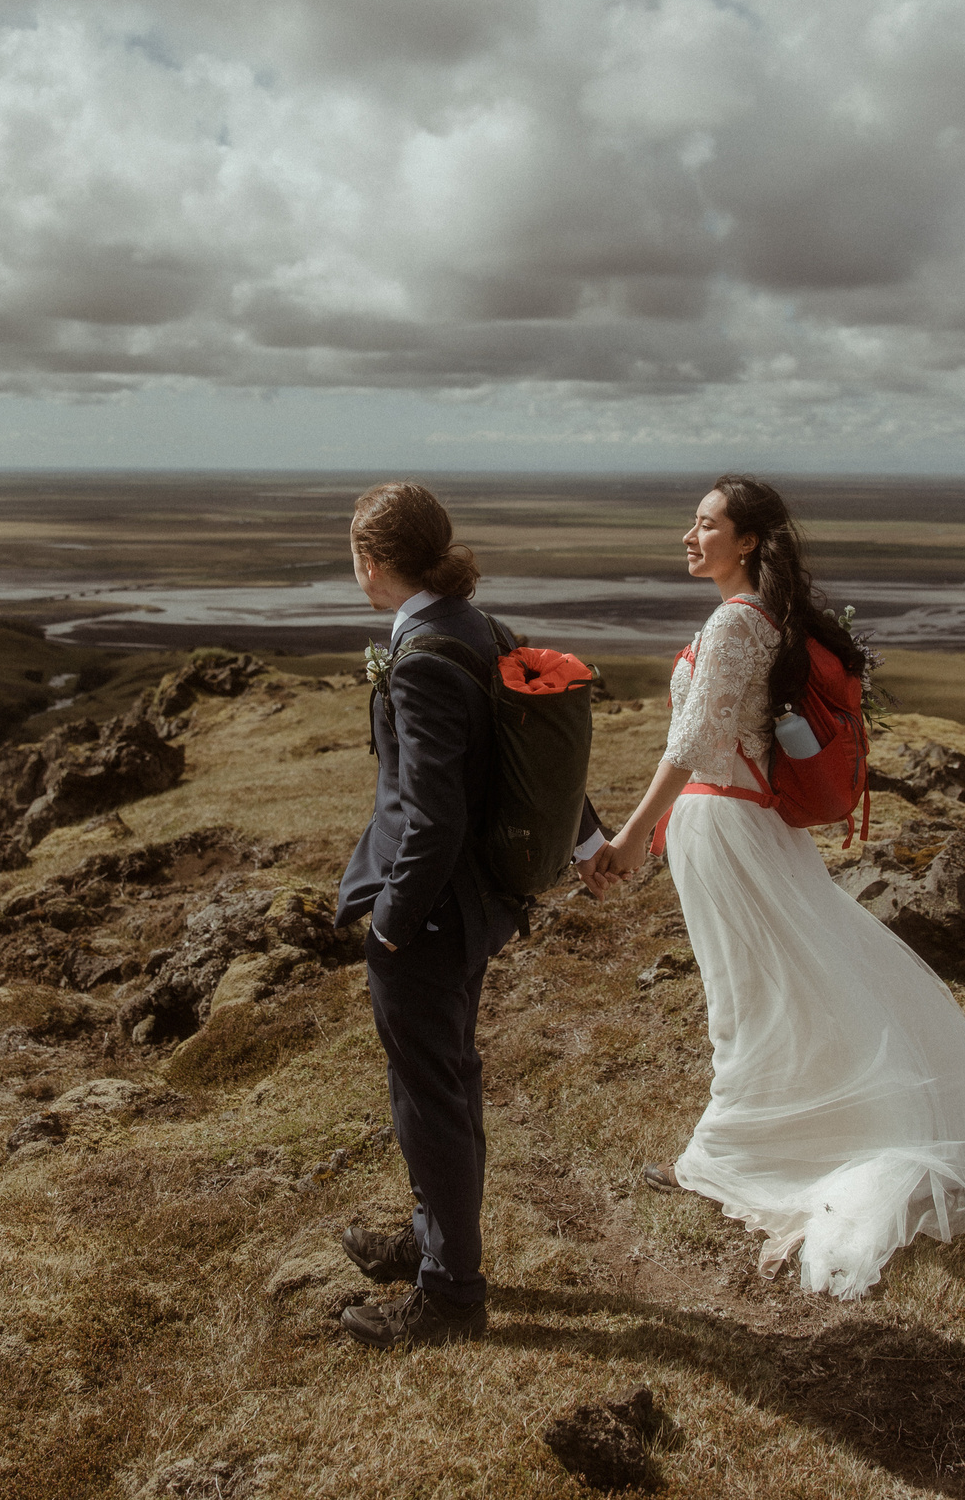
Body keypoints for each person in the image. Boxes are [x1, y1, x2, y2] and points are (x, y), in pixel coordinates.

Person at [586, 474, 965, 1297]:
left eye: (706, 524)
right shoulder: (764, 619)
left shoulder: (734, 622)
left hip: (723, 825)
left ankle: (728, 1154)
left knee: (744, 992)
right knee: (779, 982)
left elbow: (690, 743)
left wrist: (631, 834)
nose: (689, 536)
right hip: (745, 823)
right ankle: (781, 1127)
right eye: (693, 522)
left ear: (748, 540)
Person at [331, 481, 608, 1349]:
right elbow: (536, 752)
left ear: (372, 560)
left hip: (433, 916)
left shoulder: (421, 658)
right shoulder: (480, 626)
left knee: (431, 1096)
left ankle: (451, 1293)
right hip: (476, 905)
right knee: (447, 1078)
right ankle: (433, 1241)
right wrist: (590, 840)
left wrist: (392, 923)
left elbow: (434, 817)